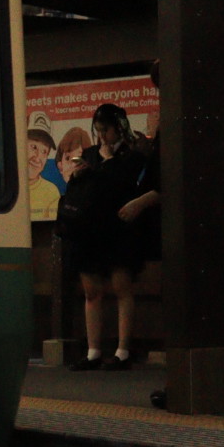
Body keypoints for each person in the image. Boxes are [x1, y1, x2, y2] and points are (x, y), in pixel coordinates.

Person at [60, 104, 151, 370]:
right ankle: (93, 351)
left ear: (119, 128)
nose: (102, 136)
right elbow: (78, 188)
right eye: (98, 131)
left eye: (106, 130)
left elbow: (123, 184)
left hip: (119, 228)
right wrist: (77, 175)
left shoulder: (132, 155)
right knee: (91, 291)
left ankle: (123, 350)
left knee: (122, 287)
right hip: (89, 230)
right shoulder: (89, 154)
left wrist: (109, 160)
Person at [27, 127, 60, 221]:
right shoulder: (5, 185)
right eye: (34, 147)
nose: (37, 158)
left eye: (44, 152)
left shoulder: (51, 192)